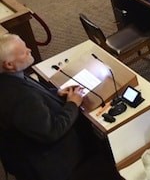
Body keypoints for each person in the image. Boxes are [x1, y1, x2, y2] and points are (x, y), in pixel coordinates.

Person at [0, 34, 86, 180]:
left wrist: (56, 93)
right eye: (24, 52)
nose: (30, 50)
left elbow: (35, 98)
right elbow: (51, 132)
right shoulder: (20, 97)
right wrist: (73, 104)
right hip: (48, 163)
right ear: (9, 64)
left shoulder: (11, 76)